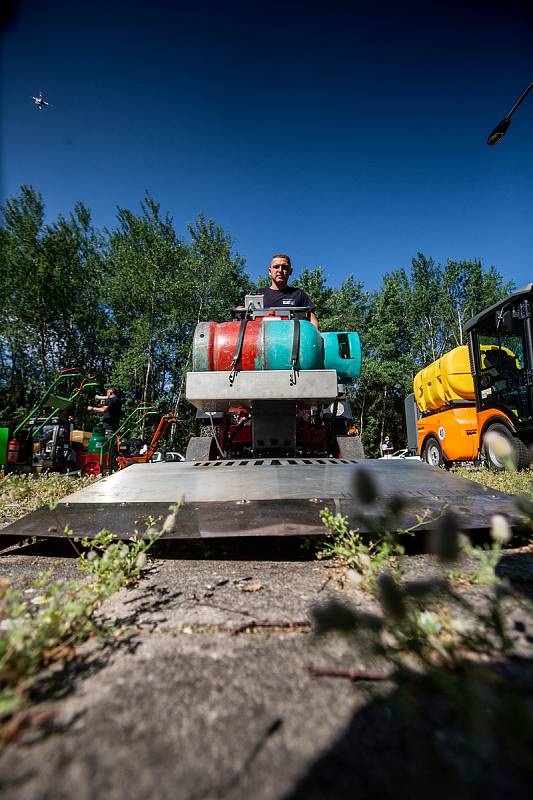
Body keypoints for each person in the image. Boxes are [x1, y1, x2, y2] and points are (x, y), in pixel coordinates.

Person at [257, 254, 319, 329]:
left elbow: (314, 323)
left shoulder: (299, 294)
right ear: (270, 271)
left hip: (293, 339)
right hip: (262, 339)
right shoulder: (258, 294)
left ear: (290, 271)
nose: (280, 270)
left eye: (284, 267)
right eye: (276, 267)